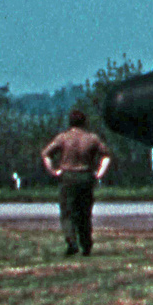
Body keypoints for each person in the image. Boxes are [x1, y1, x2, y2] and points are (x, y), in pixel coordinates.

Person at [41, 109, 111, 257]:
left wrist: (53, 171)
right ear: (84, 122)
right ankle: (86, 245)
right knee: (84, 213)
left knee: (67, 213)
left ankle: (72, 242)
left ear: (70, 122)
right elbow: (106, 155)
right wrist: (99, 173)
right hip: (86, 176)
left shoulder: (63, 138)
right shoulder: (92, 138)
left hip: (68, 176)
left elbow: (46, 153)